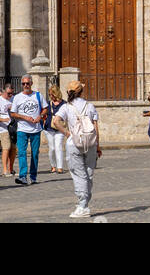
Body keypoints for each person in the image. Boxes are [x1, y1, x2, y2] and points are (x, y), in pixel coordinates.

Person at [52, 79, 101, 218]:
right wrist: (98, 145)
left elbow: (55, 121)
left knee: (78, 174)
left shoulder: (67, 107)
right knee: (88, 173)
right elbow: (96, 127)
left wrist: (67, 133)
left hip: (74, 142)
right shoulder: (90, 106)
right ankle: (85, 202)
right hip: (90, 143)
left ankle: (82, 205)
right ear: (82, 91)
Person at [10, 75, 44, 185]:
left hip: (35, 129)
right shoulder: (17, 97)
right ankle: (23, 176)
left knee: (34, 154)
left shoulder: (38, 95)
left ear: (31, 83)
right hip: (22, 129)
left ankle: (33, 176)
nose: (25, 85)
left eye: (27, 83)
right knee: (22, 153)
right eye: (23, 84)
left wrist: (40, 116)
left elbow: (46, 109)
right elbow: (13, 113)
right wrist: (25, 117)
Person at [44, 86, 65, 173]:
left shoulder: (64, 104)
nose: (51, 96)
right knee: (52, 148)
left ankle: (60, 167)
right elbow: (43, 113)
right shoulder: (48, 104)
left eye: (52, 94)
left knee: (58, 146)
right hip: (49, 128)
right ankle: (53, 165)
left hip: (60, 128)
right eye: (49, 95)